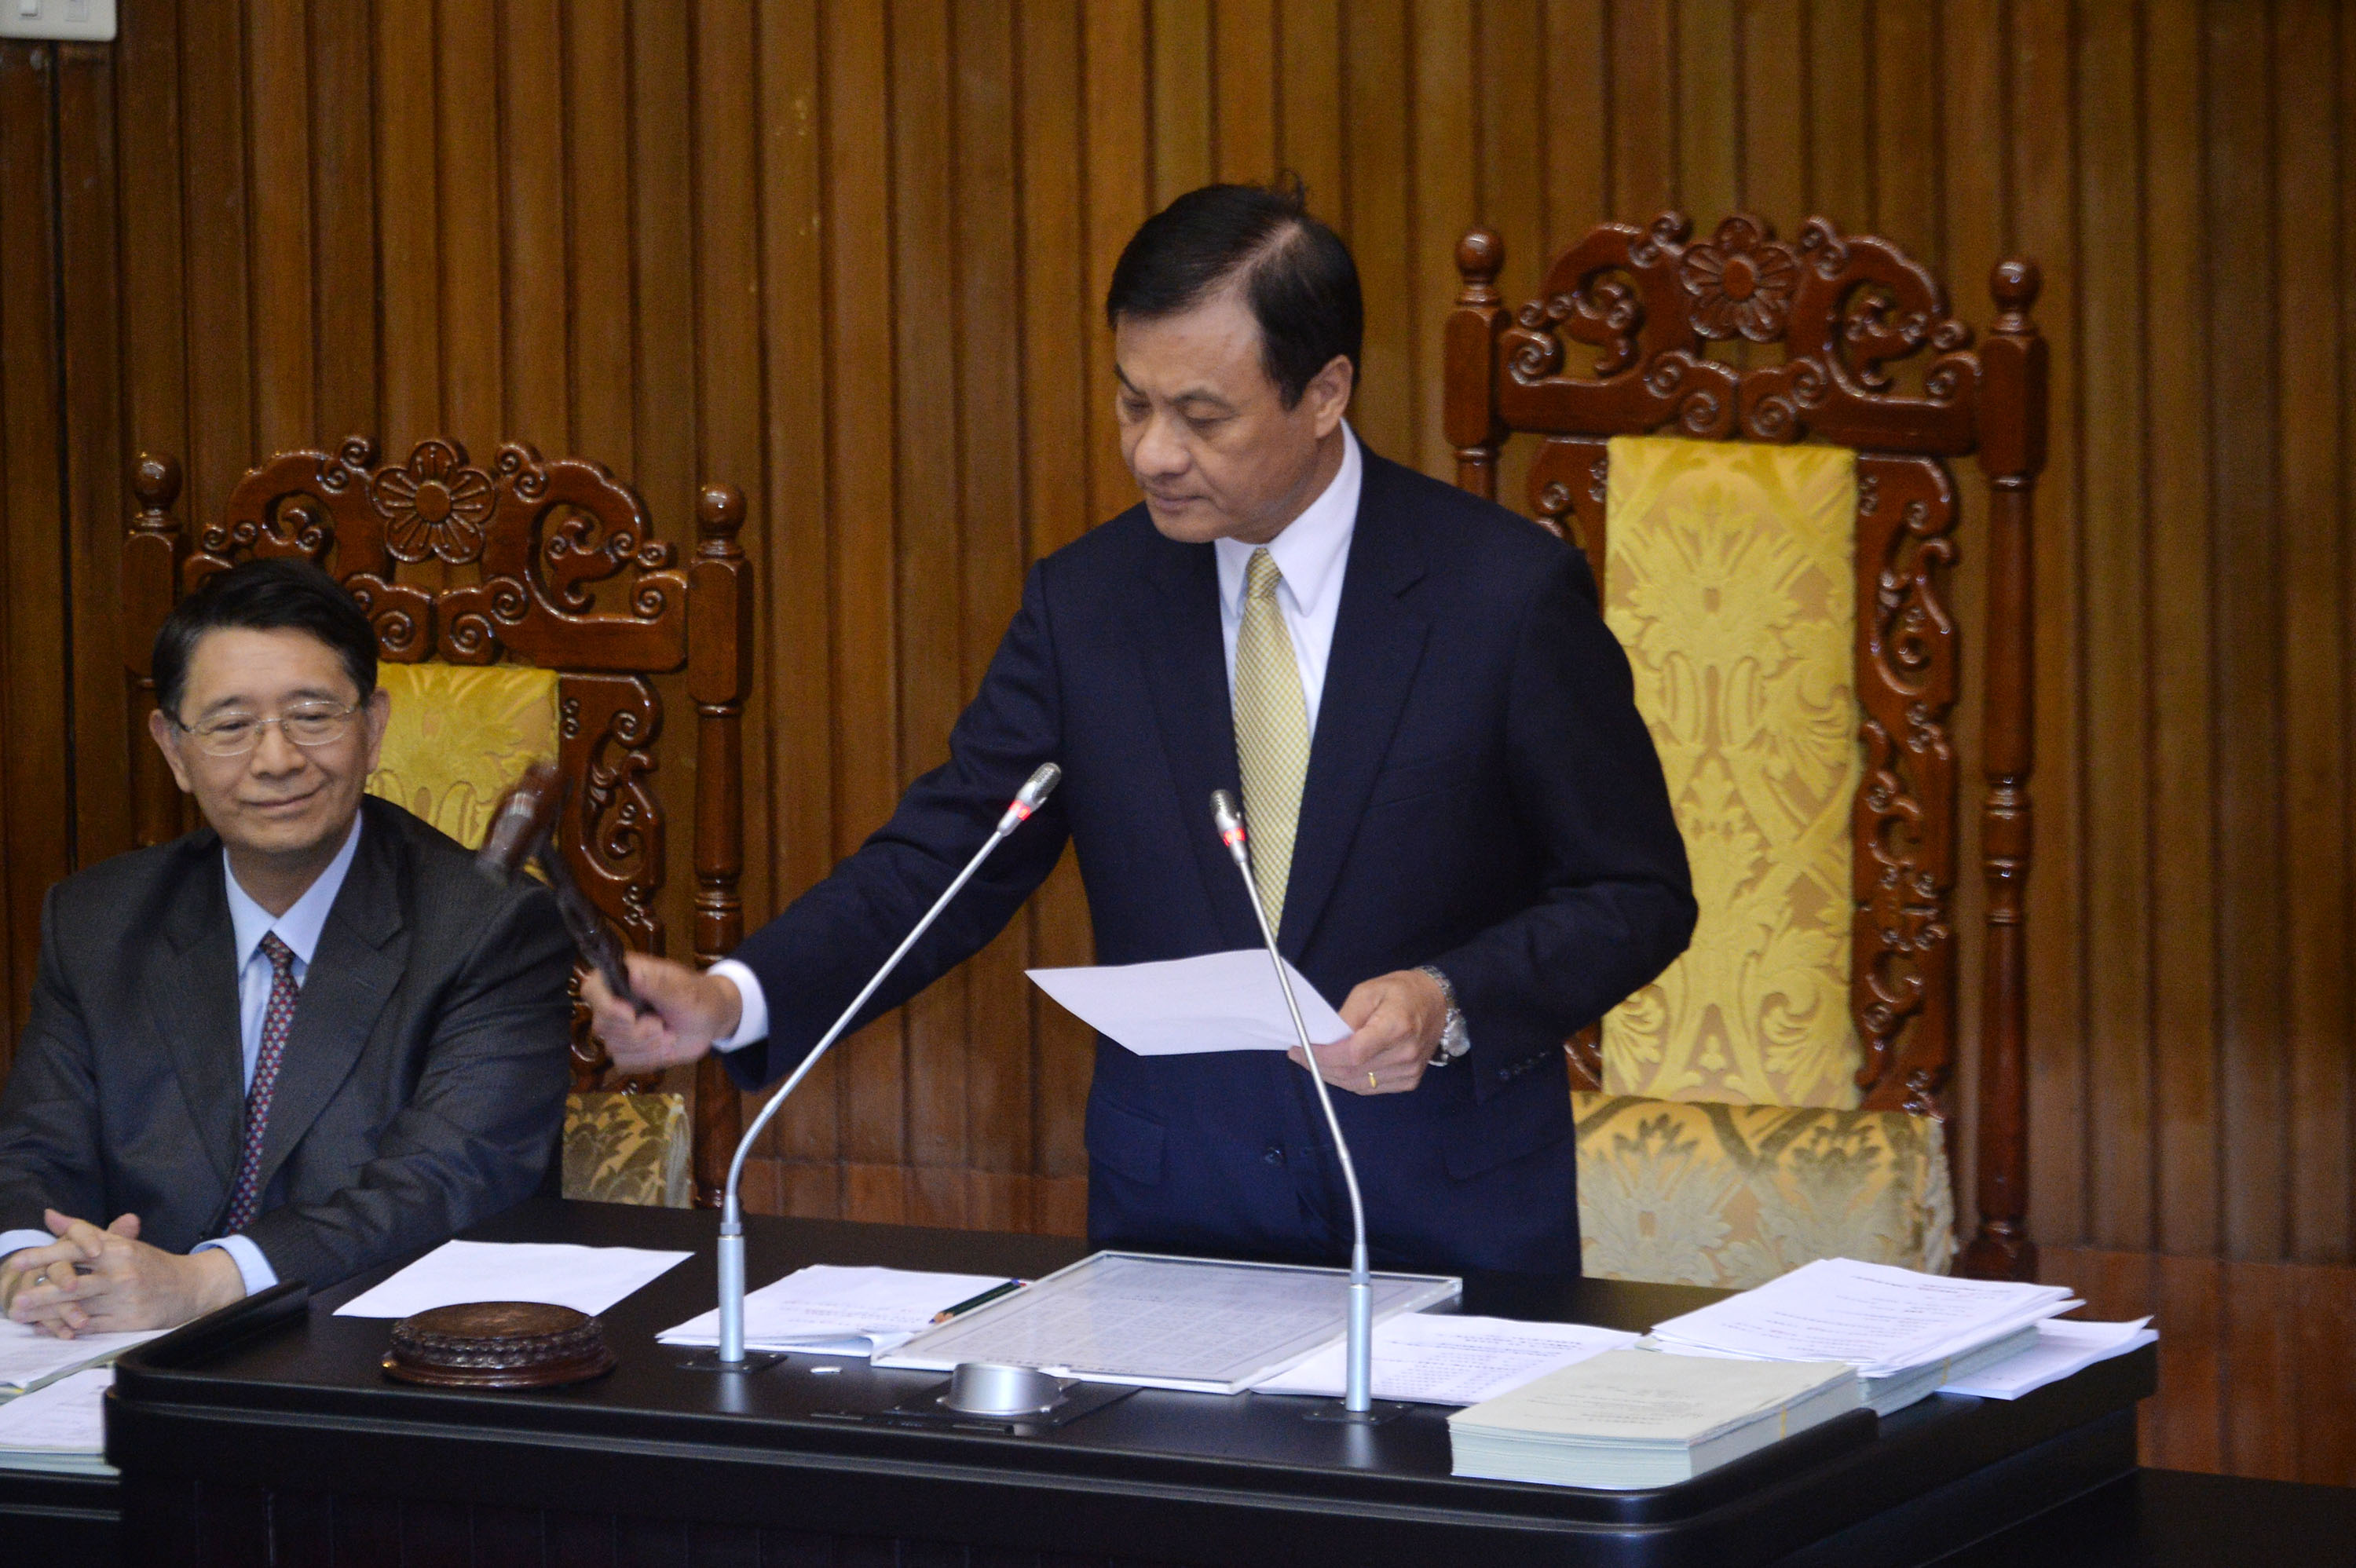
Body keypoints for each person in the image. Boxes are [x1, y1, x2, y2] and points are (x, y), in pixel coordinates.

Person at [588, 181, 1694, 1276]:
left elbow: (1634, 893)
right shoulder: (1089, 606)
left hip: (1453, 1234)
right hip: (1178, 1233)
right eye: (1132, 402)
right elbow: (948, 854)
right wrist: (735, 996)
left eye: (1201, 416)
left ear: (1325, 393)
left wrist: (1453, 999)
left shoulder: (1502, 595)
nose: (1153, 451)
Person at [0, 559, 574, 1336]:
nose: (276, 759)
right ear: (173, 747)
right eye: (231, 725)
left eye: (312, 714)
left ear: (373, 727)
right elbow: (39, 1140)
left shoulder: (489, 926)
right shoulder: (99, 919)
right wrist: (35, 1261)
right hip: (110, 1352)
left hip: (375, 1364)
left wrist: (207, 1281)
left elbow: (446, 1183)